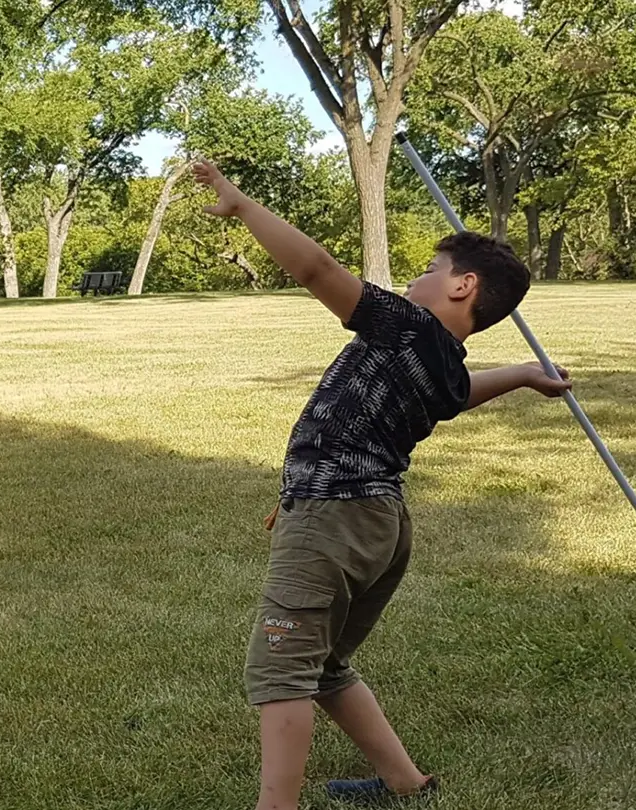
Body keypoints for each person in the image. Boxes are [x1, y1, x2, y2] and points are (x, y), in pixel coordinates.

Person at [192, 161, 573, 809]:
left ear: (464, 286)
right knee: (327, 665)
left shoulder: (401, 325)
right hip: (378, 524)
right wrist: (522, 374)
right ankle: (405, 781)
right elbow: (459, 397)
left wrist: (243, 207)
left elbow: (317, 271)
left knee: (281, 669)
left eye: (431, 267)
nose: (417, 276)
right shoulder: (446, 364)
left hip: (334, 519)